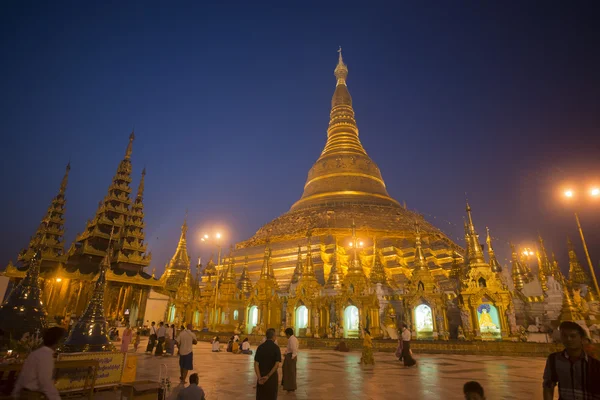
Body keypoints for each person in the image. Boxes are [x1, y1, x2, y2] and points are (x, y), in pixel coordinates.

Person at [543, 321, 600, 399]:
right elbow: (548, 386)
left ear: (581, 338)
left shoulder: (595, 363)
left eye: (573, 336)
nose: (568, 339)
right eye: (564, 336)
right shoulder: (554, 360)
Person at [12, 327, 65, 400]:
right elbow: (45, 382)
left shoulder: (35, 353)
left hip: (24, 393)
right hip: (33, 395)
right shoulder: (46, 356)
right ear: (57, 342)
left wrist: (16, 392)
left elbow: (22, 375)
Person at [254, 328, 281, 400]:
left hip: (261, 375)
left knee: (261, 396)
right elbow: (276, 365)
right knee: (271, 396)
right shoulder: (276, 348)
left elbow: (256, 364)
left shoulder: (260, 347)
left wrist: (259, 377)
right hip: (272, 377)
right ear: (273, 336)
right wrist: (268, 376)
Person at [282, 328, 298, 392]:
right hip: (290, 356)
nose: (286, 336)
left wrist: (292, 357)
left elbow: (294, 349)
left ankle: (291, 386)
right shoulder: (292, 339)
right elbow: (289, 348)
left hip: (291, 357)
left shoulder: (292, 340)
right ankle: (289, 386)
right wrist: (285, 353)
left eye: (286, 334)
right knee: (288, 371)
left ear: (288, 334)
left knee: (290, 372)